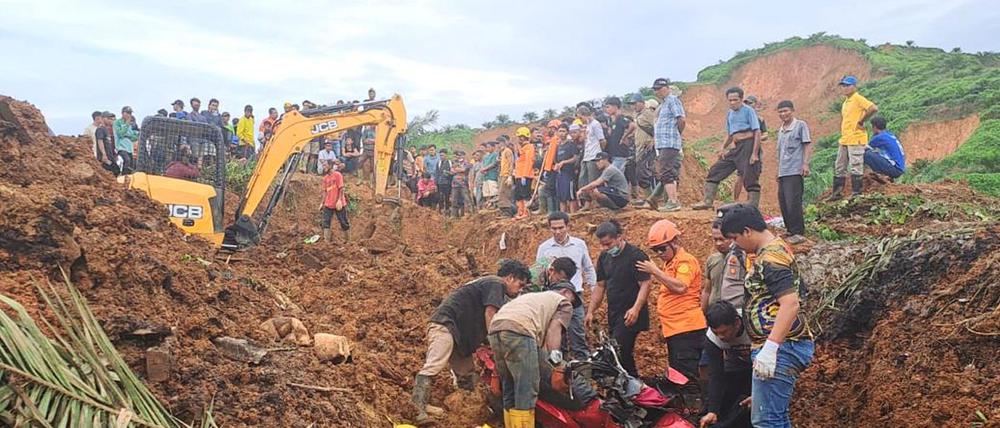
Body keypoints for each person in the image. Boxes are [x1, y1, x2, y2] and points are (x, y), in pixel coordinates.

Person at [718, 204, 813, 428]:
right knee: (774, 418)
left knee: (767, 421)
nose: (735, 245)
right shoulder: (773, 251)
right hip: (779, 346)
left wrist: (771, 349)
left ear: (747, 231)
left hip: (782, 347)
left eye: (735, 238)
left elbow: (790, 303)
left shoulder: (772, 258)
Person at [411, 259, 530, 425]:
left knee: (467, 375)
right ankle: (417, 408)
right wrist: (497, 345)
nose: (520, 290)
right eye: (520, 284)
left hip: (459, 334)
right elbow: (490, 314)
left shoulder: (489, 285)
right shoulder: (496, 283)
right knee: (434, 364)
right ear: (509, 278)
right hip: (446, 325)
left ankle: (466, 411)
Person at [488, 264, 579, 427]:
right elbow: (554, 332)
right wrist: (558, 366)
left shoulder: (532, 300)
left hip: (496, 328)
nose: (573, 304)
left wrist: (496, 373)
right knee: (526, 388)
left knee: (509, 385)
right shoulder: (564, 302)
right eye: (574, 299)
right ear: (567, 293)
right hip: (519, 330)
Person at [636, 219, 707, 404]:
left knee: (687, 378)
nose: (659, 254)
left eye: (662, 249)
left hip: (687, 329)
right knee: (678, 374)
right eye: (655, 250)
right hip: (676, 330)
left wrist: (655, 271)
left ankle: (696, 413)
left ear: (675, 242)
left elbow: (681, 287)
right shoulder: (671, 263)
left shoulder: (685, 261)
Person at [585, 219, 652, 377]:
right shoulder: (604, 257)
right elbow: (600, 286)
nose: (606, 248)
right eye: (602, 245)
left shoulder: (635, 255)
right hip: (614, 313)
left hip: (632, 312)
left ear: (619, 237)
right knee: (622, 354)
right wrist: (591, 311)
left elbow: (645, 284)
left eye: (608, 244)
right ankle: (632, 386)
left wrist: (636, 308)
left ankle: (633, 385)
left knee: (618, 349)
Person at [536, 211, 596, 359]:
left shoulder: (579, 245)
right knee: (556, 337)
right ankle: (560, 374)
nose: (557, 232)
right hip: (553, 299)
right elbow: (539, 273)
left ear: (568, 226)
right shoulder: (544, 248)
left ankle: (583, 372)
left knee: (578, 336)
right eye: (553, 228)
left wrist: (594, 289)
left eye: (561, 228)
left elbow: (588, 268)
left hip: (575, 298)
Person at [693, 87, 763, 210]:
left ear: (741, 99)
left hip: (749, 145)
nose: (732, 103)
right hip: (737, 146)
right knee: (716, 170)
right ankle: (708, 201)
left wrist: (755, 153)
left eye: (735, 100)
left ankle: (752, 204)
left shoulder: (748, 111)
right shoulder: (730, 113)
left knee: (749, 174)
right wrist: (722, 148)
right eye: (730, 100)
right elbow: (730, 134)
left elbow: (757, 132)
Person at [699, 301, 753, 428]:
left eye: (724, 332)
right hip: (735, 364)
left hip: (762, 366)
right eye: (716, 332)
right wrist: (713, 410)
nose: (720, 337)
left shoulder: (755, 326)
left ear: (737, 323)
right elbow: (716, 374)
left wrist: (758, 393)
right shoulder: (712, 338)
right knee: (727, 398)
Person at [830, 75, 879, 200]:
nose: (845, 88)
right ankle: (837, 193)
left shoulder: (857, 98)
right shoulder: (846, 102)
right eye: (843, 86)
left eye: (848, 85)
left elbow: (873, 108)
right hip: (845, 138)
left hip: (856, 137)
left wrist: (861, 121)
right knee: (840, 165)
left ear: (854, 86)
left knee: (855, 165)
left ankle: (857, 193)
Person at [774, 100, 813, 245]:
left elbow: (807, 144)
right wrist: (778, 171)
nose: (783, 114)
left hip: (794, 170)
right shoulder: (781, 129)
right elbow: (780, 152)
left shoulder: (800, 125)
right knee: (783, 201)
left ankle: (798, 232)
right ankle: (790, 230)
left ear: (792, 110)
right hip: (783, 171)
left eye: (785, 111)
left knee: (793, 202)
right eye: (780, 112)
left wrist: (805, 163)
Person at [650, 78, 687, 212]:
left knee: (665, 171)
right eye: (655, 89)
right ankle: (672, 200)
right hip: (664, 143)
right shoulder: (664, 104)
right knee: (668, 171)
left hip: (669, 142)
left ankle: (673, 201)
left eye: (659, 89)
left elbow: (681, 119)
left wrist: (677, 133)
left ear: (666, 88)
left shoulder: (672, 100)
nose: (657, 92)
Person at [732, 95, 769, 202]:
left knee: (753, 176)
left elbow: (765, 134)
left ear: (755, 104)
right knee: (740, 175)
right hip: (742, 151)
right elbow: (735, 136)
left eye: (750, 103)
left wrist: (757, 138)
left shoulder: (760, 119)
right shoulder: (741, 118)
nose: (748, 105)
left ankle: (750, 203)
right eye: (746, 103)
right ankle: (736, 200)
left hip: (756, 150)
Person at [577, 105, 606, 210]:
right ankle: (587, 203)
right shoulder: (587, 126)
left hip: (594, 156)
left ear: (585, 115)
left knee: (593, 180)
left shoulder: (595, 124)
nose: (580, 120)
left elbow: (602, 140)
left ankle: (598, 202)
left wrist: (600, 154)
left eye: (580, 117)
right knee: (583, 180)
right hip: (586, 156)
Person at [630, 95, 657, 206]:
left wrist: (654, 141)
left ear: (641, 102)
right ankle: (649, 198)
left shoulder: (648, 113)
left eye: (635, 103)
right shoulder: (637, 115)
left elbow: (657, 127)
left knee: (643, 173)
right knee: (640, 173)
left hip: (647, 148)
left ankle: (651, 199)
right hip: (640, 148)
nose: (633, 106)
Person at [864, 117, 906, 181]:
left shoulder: (879, 137)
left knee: (866, 154)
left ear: (874, 127)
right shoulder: (889, 135)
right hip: (900, 168)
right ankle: (886, 176)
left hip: (895, 169)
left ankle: (880, 175)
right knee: (874, 153)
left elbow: (865, 148)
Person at [320, 160, 350, 242]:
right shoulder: (325, 178)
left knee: (343, 222)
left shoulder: (337, 175)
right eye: (323, 165)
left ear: (330, 165)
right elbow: (325, 192)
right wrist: (322, 203)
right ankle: (326, 242)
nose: (324, 167)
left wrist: (339, 200)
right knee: (326, 222)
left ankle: (347, 242)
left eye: (325, 165)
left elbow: (341, 188)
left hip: (338, 204)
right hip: (328, 204)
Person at [552, 124, 579, 213]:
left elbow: (575, 158)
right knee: (561, 197)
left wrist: (564, 162)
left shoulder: (571, 144)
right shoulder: (558, 146)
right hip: (560, 174)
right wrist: (556, 165)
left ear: (567, 132)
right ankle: (562, 215)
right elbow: (556, 160)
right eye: (560, 131)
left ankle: (573, 215)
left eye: (563, 131)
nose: (561, 133)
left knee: (571, 196)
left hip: (569, 173)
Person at [513, 127, 536, 219]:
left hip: (525, 175)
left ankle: (526, 213)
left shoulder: (529, 147)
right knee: (518, 195)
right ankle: (520, 212)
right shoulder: (522, 148)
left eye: (520, 137)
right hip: (519, 175)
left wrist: (525, 175)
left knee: (525, 194)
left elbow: (529, 162)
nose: (519, 139)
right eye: (518, 137)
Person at [113, 106, 139, 174]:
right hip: (121, 147)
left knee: (131, 164)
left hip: (130, 148)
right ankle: (123, 176)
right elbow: (120, 134)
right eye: (127, 112)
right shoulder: (117, 122)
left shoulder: (131, 124)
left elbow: (135, 137)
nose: (128, 115)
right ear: (122, 113)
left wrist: (128, 136)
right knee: (126, 160)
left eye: (130, 113)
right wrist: (127, 124)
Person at [497, 137, 516, 214]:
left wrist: (510, 176)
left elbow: (511, 164)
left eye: (499, 143)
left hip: (506, 175)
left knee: (505, 194)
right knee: (501, 194)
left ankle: (508, 212)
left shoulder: (508, 151)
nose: (498, 145)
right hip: (502, 174)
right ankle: (504, 211)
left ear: (503, 143)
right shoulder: (503, 152)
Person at [450, 151, 471, 217]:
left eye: (461, 155)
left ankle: (467, 214)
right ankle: (454, 215)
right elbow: (452, 171)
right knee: (454, 200)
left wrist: (456, 169)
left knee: (466, 199)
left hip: (463, 184)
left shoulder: (467, 163)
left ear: (464, 156)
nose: (460, 156)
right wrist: (457, 169)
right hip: (455, 184)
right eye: (459, 155)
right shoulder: (454, 163)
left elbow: (464, 170)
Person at [480, 142, 500, 208]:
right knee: (486, 192)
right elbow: (482, 164)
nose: (487, 149)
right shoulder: (485, 156)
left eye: (489, 147)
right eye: (487, 147)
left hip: (492, 176)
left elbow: (494, 164)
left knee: (493, 192)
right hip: (485, 176)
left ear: (493, 147)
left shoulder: (495, 154)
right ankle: (488, 204)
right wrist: (482, 169)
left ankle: (494, 205)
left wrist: (485, 169)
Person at [436, 149, 454, 215]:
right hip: (440, 183)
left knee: (447, 197)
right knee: (440, 197)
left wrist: (447, 173)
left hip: (448, 183)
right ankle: (441, 210)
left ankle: (447, 210)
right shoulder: (438, 163)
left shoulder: (450, 162)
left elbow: (453, 173)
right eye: (440, 155)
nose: (441, 157)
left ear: (446, 155)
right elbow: (437, 173)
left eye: (442, 155)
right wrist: (436, 182)